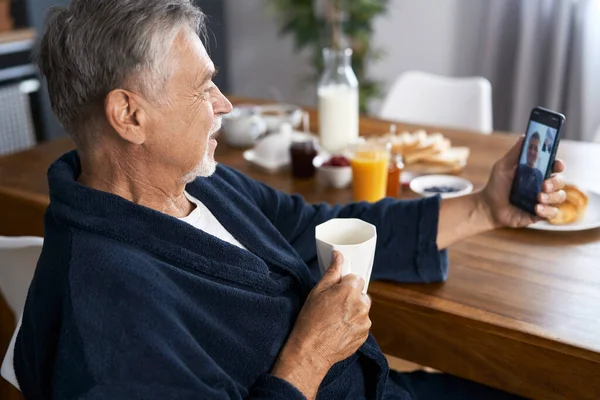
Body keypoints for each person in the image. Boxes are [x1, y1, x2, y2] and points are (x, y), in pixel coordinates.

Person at [13, 1, 566, 399]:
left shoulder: (202, 185)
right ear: (130, 115)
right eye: (203, 87)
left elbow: (322, 227)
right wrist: (308, 357)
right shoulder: (106, 317)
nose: (226, 104)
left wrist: (486, 207)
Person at [515, 132, 545, 209]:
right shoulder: (517, 168)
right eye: (530, 147)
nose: (532, 152)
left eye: (536, 149)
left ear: (539, 153)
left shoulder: (540, 176)